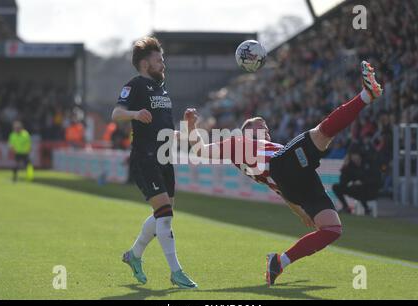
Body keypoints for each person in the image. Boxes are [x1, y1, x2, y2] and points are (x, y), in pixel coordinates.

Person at [184, 61, 383, 286]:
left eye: (267, 127)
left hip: (297, 180)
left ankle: (280, 261)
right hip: (283, 167)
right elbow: (200, 149)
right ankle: (366, 96)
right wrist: (191, 127)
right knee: (322, 134)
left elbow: (281, 190)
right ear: (246, 132)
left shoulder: (270, 148)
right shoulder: (237, 144)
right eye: (261, 126)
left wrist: (300, 212)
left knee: (332, 229)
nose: (266, 130)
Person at [111, 37, 197, 289]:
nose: (163, 63)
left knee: (164, 213)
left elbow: (167, 132)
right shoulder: (135, 85)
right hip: (145, 158)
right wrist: (135, 114)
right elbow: (116, 114)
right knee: (165, 214)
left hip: (164, 157)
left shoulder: (162, 90)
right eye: (159, 60)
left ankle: (134, 255)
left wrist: (189, 128)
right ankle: (176, 272)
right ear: (144, 63)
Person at [332, 146, 381, 215]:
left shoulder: (368, 163)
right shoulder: (350, 166)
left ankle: (367, 209)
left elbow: (375, 179)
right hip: (356, 190)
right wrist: (344, 168)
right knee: (336, 187)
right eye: (352, 155)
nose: (354, 157)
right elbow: (343, 183)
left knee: (359, 187)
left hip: (370, 190)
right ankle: (346, 207)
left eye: (355, 155)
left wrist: (362, 182)